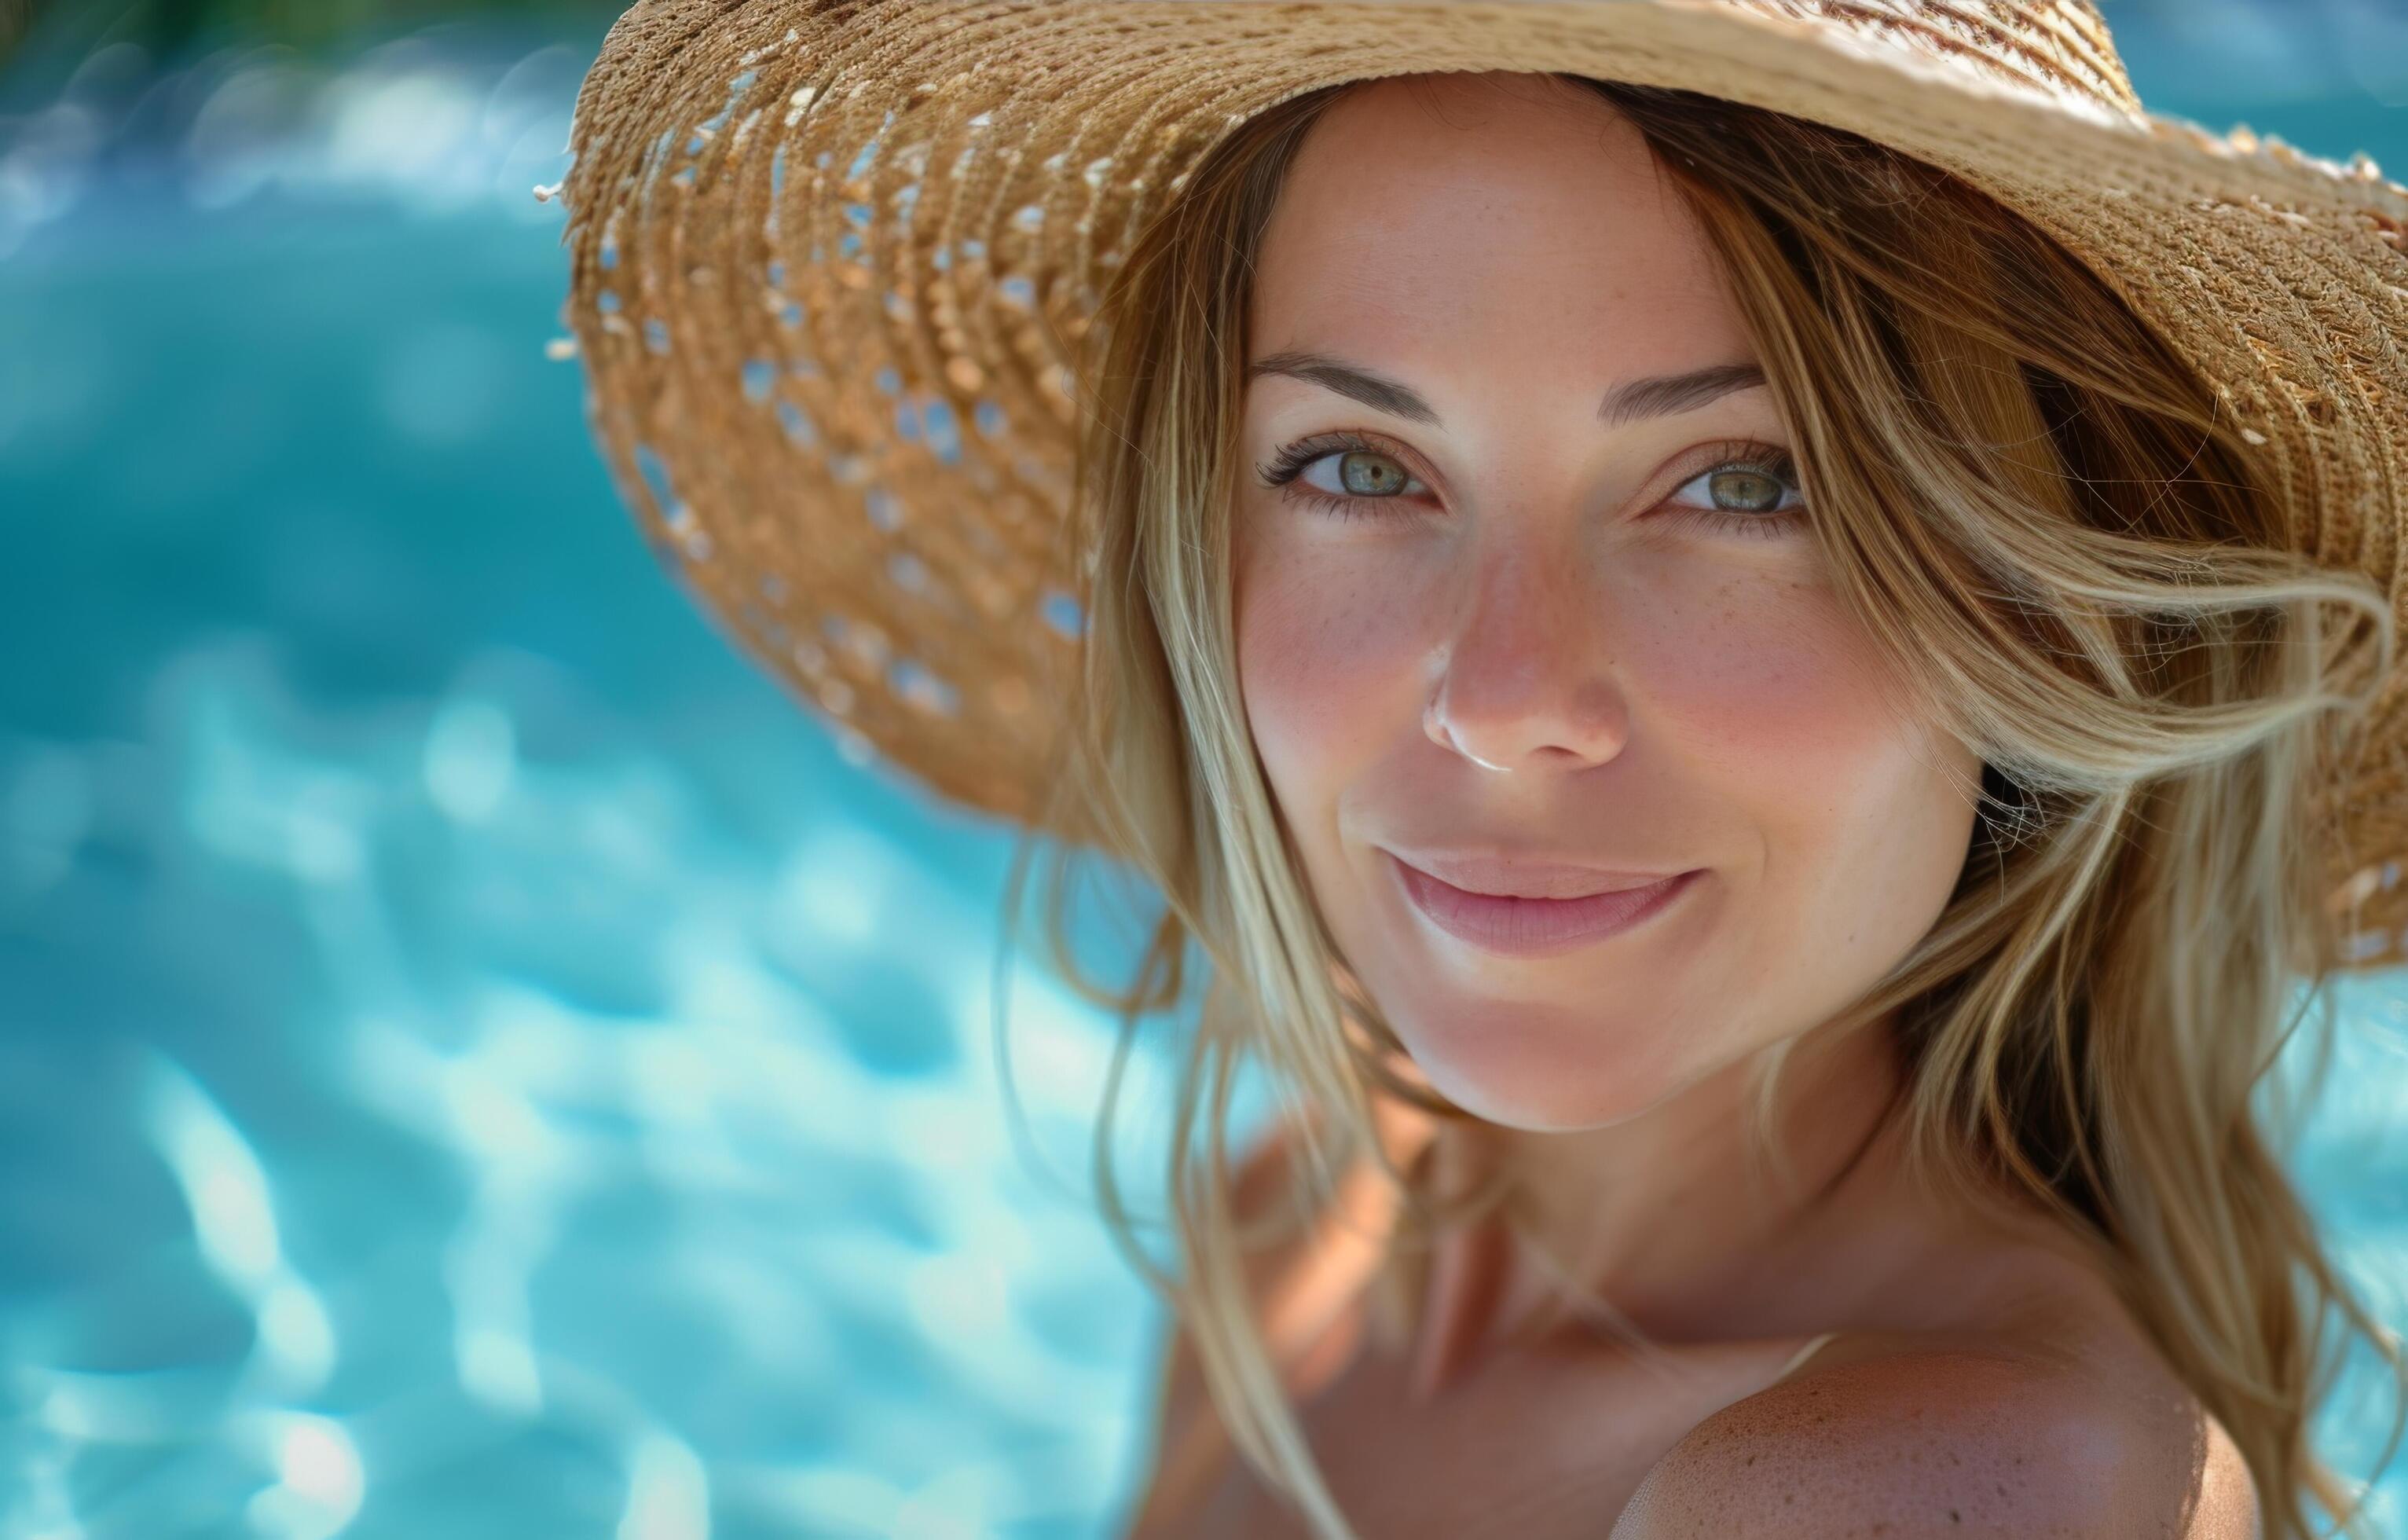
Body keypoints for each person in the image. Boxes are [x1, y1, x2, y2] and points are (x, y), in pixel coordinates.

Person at [553, 4, 2408, 1536]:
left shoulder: (1929, 1483)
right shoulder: (1297, 1226)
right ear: (1202, 546)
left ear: (2034, 602)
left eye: (1744, 482)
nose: (1508, 695)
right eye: (1360, 467)